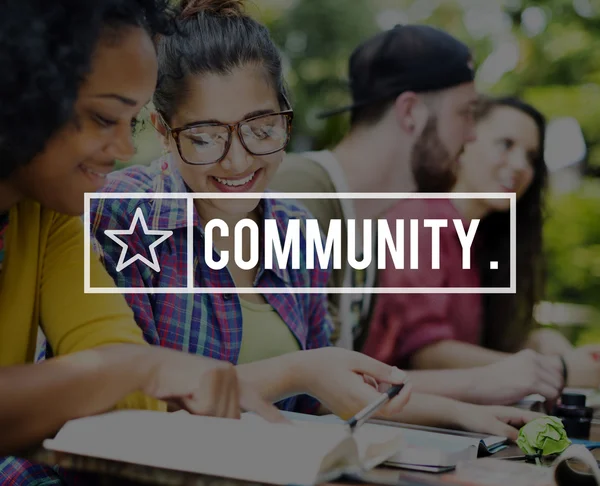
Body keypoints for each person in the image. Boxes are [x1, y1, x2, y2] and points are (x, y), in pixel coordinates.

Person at [91, 1, 541, 439]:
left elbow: (322, 400)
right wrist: (296, 371)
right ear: (165, 131)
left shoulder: (296, 229)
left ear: (286, 119)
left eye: (261, 129)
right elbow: (126, 404)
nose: (237, 161)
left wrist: (464, 417)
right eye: (205, 137)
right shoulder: (123, 215)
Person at [0, 0, 283, 483]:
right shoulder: (117, 212)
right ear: (23, 94)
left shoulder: (52, 216)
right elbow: (127, 370)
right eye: (104, 117)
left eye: (129, 121)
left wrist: (137, 370)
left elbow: (121, 374)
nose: (127, 150)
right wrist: (140, 369)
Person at [270, 27, 566, 406]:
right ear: (410, 112)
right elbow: (297, 389)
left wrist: (473, 416)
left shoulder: (372, 221)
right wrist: (477, 387)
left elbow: (335, 392)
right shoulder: (301, 195)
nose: (473, 135)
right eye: (465, 114)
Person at [364, 95, 600, 392]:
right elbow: (426, 353)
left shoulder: (482, 238)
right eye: (506, 145)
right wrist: (556, 371)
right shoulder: (419, 219)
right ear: (464, 143)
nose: (520, 165)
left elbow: (467, 342)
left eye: (531, 157)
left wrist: (535, 342)